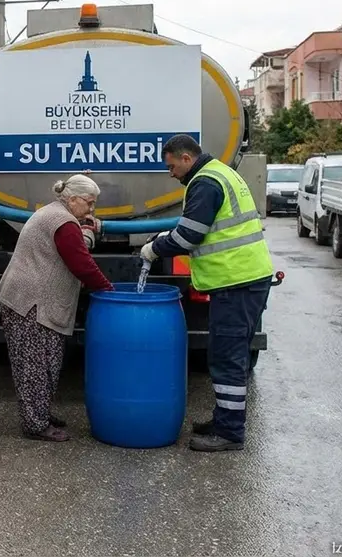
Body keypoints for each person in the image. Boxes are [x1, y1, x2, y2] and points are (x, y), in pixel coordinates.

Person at [141, 134, 274, 453]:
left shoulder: (204, 182)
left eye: (172, 166)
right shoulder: (220, 173)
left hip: (237, 280)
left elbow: (189, 237)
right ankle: (224, 419)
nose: (170, 173)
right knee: (228, 354)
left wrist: (154, 248)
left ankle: (229, 433)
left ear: (187, 158)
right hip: (244, 278)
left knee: (227, 357)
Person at [0, 175, 113, 442]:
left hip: (28, 298)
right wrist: (108, 290)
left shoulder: (57, 215)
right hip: (31, 302)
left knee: (47, 362)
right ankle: (35, 425)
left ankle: (40, 413)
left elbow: (76, 245)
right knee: (35, 366)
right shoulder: (62, 222)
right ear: (72, 199)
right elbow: (81, 263)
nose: (91, 209)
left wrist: (87, 230)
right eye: (89, 203)